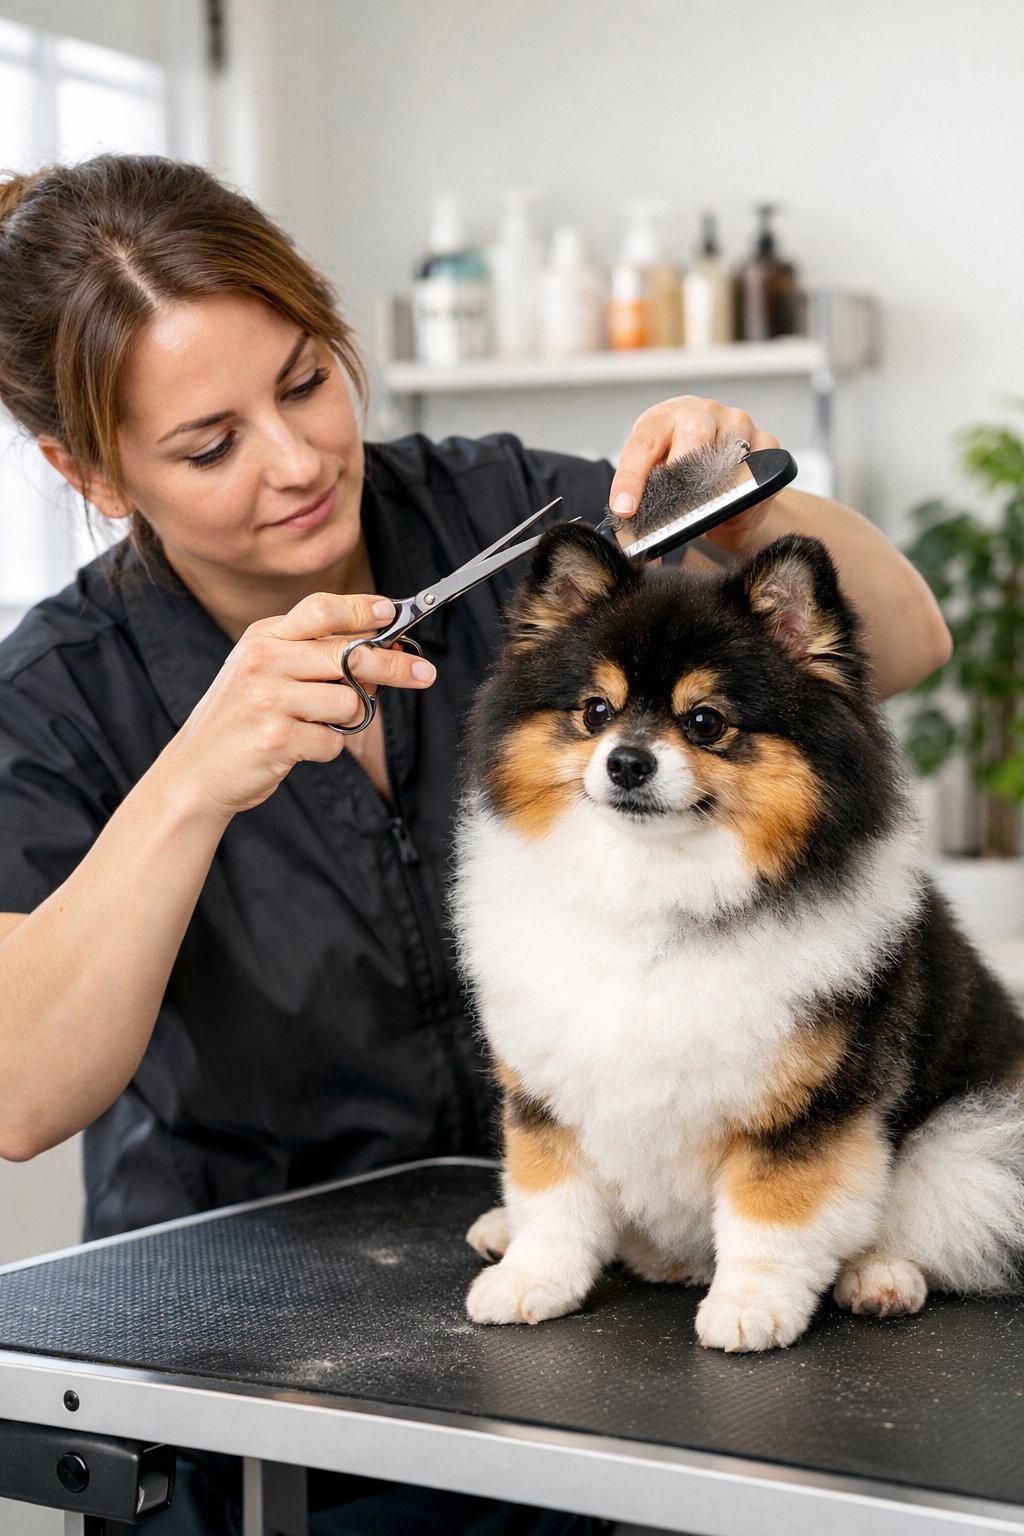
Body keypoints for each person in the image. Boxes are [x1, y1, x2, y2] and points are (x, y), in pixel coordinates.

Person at [0, 156, 950, 1535]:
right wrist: (196, 778)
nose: (298, 460)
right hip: (249, 1380)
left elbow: (906, 641)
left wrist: (754, 517)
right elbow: (24, 1093)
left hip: (599, 1313)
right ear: (88, 474)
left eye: (308, 378)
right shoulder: (56, 697)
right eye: (209, 447)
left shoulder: (508, 520)